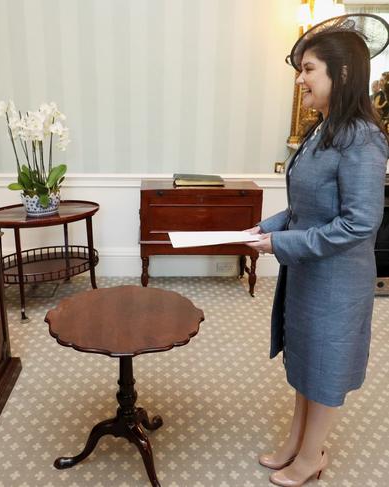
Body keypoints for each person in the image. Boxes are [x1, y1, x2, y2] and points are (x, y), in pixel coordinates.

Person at [245, 14, 389, 487]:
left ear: (341, 74)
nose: (300, 79)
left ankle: (312, 455)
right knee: (304, 357)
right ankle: (296, 441)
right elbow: (307, 208)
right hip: (309, 270)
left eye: (308, 69)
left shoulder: (363, 140)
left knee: (325, 365)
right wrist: (263, 229)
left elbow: (359, 222)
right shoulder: (320, 131)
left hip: (338, 279)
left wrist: (278, 243)